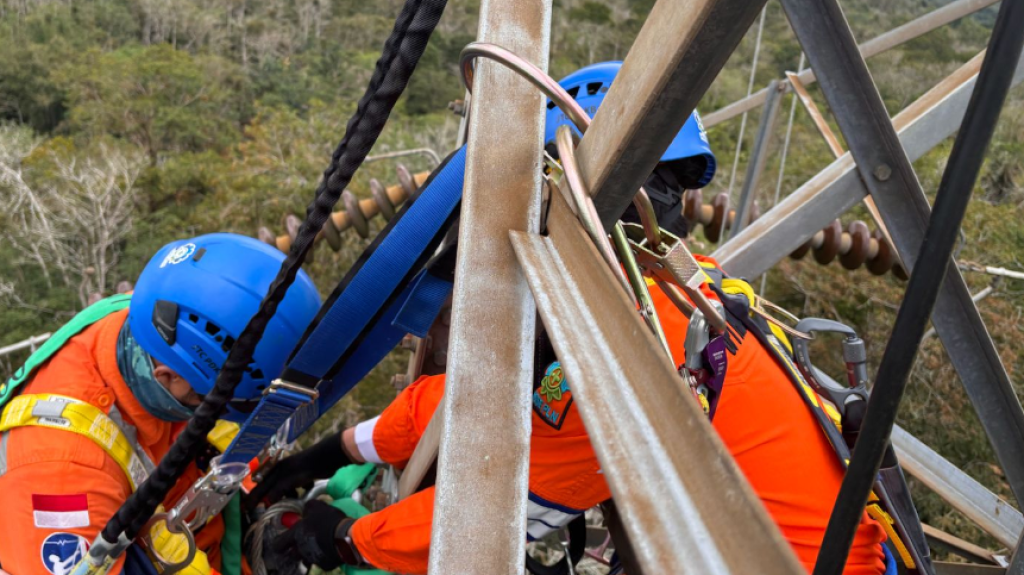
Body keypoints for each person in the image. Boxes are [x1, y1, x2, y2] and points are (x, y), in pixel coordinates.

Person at [251, 63, 889, 575]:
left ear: (554, 188)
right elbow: (467, 402)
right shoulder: (678, 289)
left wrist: (343, 539)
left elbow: (487, 523)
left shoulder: (625, 344)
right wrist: (328, 452)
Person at [0, 234, 321, 575]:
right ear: (167, 375)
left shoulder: (150, 316)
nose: (216, 412)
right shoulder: (62, 476)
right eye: (209, 402)